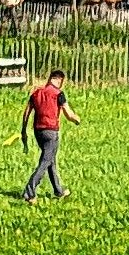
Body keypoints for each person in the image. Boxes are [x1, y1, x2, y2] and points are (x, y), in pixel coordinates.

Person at [21, 70, 82, 204]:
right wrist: (77, 119)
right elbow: (68, 114)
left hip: (38, 131)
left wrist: (23, 131)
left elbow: (26, 113)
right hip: (51, 132)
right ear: (60, 80)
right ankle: (29, 192)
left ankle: (58, 191)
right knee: (45, 161)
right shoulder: (58, 94)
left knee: (51, 160)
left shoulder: (36, 93)